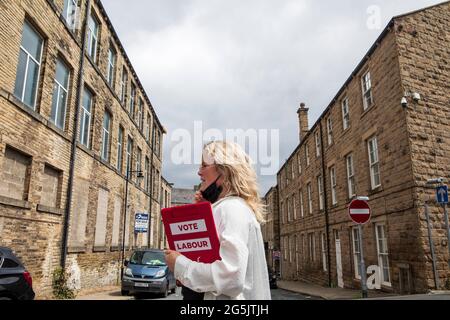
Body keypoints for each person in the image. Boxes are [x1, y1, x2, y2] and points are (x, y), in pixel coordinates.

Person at [165, 141, 271, 300]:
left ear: (224, 171)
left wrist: (180, 265)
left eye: (204, 165)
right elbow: (207, 260)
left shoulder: (232, 209)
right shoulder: (225, 208)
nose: (199, 172)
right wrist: (201, 213)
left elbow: (231, 277)